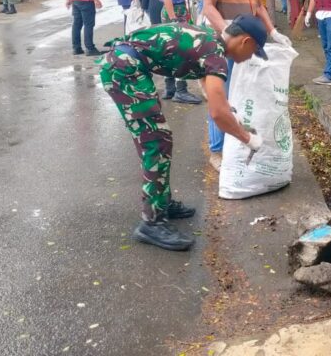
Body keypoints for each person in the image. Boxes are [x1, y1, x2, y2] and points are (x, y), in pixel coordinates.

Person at [100, 16, 267, 251]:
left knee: (160, 138)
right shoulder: (215, 53)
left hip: (126, 64)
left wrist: (230, 111)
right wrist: (248, 139)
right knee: (156, 142)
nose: (250, 57)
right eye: (254, 52)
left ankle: (162, 203)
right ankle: (152, 222)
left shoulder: (211, 41)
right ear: (246, 41)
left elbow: (210, 89)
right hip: (124, 69)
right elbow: (217, 114)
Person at [201, 0, 292, 170]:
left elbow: (259, 6)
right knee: (221, 94)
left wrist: (273, 31)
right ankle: (217, 151)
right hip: (227, 42)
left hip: (247, 42)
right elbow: (208, 7)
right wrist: (227, 32)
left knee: (243, 94)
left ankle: (239, 140)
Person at [158, 0, 203, 105]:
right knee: (180, 51)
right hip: (174, 10)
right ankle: (180, 90)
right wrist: (173, 18)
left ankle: (170, 88)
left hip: (177, 10)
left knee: (170, 50)